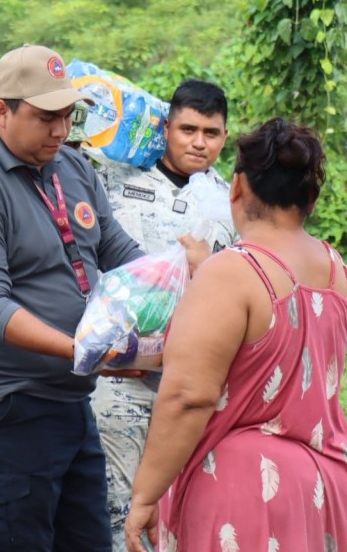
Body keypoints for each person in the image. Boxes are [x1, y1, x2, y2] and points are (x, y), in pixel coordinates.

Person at [0, 43, 149, 552]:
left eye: (68, 115)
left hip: (69, 398)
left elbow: (118, 251)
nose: (60, 129)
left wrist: (178, 281)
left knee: (88, 541)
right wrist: (83, 351)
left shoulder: (71, 169)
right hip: (4, 404)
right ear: (2, 110)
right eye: (46, 116)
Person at [125, 118, 347, 552]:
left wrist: (145, 492)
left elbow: (188, 396)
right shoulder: (336, 270)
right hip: (330, 484)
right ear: (310, 198)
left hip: (248, 490)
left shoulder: (233, 271)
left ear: (236, 186)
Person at [91, 79, 237, 552]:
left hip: (190, 382)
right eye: (188, 129)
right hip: (117, 375)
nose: (199, 142)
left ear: (224, 136)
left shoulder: (230, 201)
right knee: (116, 506)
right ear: (167, 127)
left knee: (180, 512)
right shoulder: (114, 178)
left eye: (211, 133)